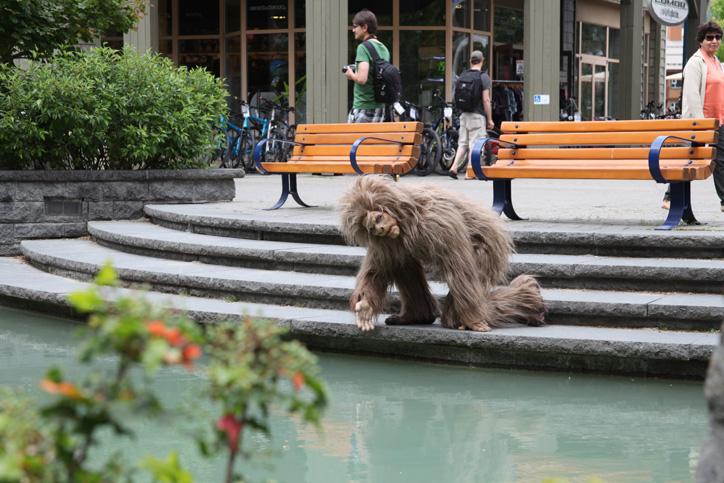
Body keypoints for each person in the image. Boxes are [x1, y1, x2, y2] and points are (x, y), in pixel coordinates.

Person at [662, 21, 724, 211]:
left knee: (720, 160)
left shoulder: (716, 63)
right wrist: (701, 125)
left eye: (718, 37)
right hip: (702, 124)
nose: (714, 41)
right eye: (709, 38)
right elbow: (691, 95)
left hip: (718, 121)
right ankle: (670, 197)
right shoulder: (696, 62)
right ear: (701, 41)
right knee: (690, 161)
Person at [449, 50, 494, 179]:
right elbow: (486, 100)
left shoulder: (463, 75)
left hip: (464, 114)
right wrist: (489, 119)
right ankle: (470, 172)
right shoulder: (483, 77)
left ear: (470, 61)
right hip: (477, 115)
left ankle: (454, 167)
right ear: (482, 61)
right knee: (474, 144)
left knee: (462, 143)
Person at [345, 9, 389, 123]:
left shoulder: (363, 48)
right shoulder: (384, 49)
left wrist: (351, 74)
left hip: (364, 106)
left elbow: (362, 79)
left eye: (355, 27)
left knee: (352, 140)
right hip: (380, 107)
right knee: (371, 141)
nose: (353, 30)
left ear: (365, 28)